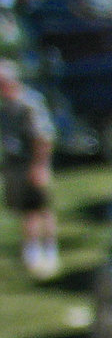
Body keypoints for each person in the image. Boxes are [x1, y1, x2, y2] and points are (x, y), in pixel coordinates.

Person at [0, 60, 58, 280]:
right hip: (15, 166)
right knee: (26, 211)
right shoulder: (6, 107)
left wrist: (39, 166)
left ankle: (47, 251)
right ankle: (31, 251)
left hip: (32, 164)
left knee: (40, 209)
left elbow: (43, 137)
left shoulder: (30, 103)